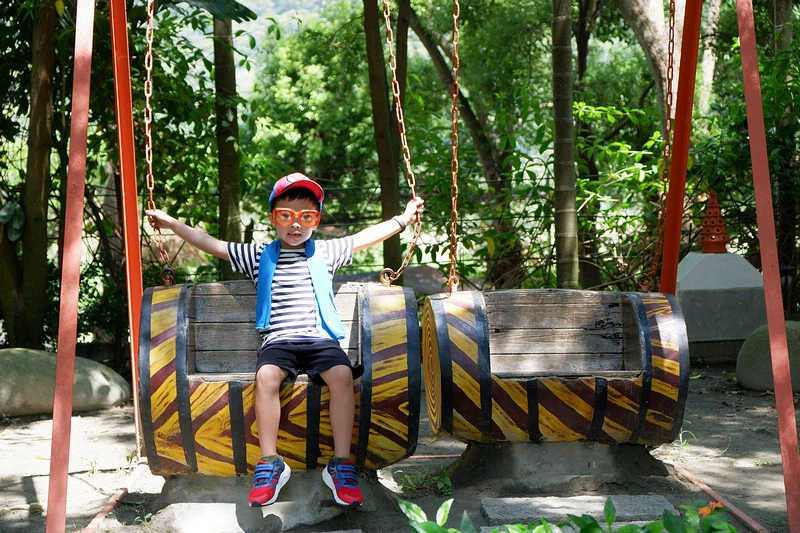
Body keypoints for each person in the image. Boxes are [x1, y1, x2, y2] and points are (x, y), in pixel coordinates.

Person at [145, 172, 424, 508]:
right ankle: (270, 463)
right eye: (286, 216)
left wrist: (403, 219)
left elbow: (367, 237)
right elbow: (212, 244)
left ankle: (340, 464)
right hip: (279, 341)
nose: (296, 225)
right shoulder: (258, 254)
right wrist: (172, 223)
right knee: (266, 377)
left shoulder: (326, 251)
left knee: (341, 375)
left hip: (320, 339)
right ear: (273, 219)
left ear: (316, 220)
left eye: (307, 216)